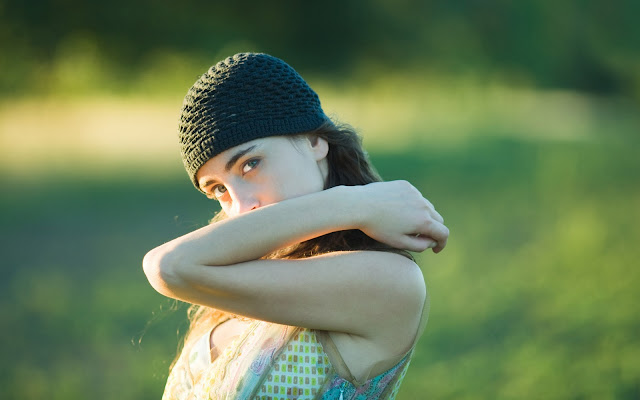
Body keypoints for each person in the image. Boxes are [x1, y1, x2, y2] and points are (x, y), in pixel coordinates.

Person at [143, 53, 449, 400]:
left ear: (315, 141)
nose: (242, 207)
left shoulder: (389, 279)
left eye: (250, 164)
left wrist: (354, 204)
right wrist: (359, 204)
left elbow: (168, 266)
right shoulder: (234, 277)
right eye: (219, 190)